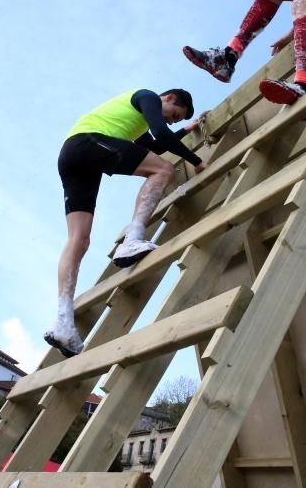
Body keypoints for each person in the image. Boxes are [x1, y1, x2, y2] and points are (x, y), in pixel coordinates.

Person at [44, 88, 208, 358]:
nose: (171, 121)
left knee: (79, 240)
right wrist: (197, 160)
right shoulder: (148, 96)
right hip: (88, 143)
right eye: (174, 115)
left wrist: (188, 129)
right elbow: (161, 134)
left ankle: (63, 321)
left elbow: (153, 146)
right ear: (167, 98)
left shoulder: (135, 119)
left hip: (73, 156)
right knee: (164, 169)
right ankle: (132, 240)